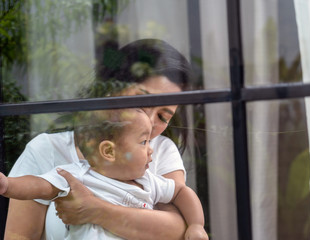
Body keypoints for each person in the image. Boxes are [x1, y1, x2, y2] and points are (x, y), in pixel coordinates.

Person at [5, 39, 208, 240]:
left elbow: (179, 229)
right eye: (141, 100)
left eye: (163, 117)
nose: (148, 119)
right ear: (113, 88)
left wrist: (95, 210)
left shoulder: (161, 152)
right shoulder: (46, 150)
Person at [0, 108, 206, 239]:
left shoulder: (148, 181)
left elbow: (181, 192)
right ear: (109, 151)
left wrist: (196, 225)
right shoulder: (78, 175)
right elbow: (40, 185)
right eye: (143, 142)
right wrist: (8, 185)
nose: (151, 149)